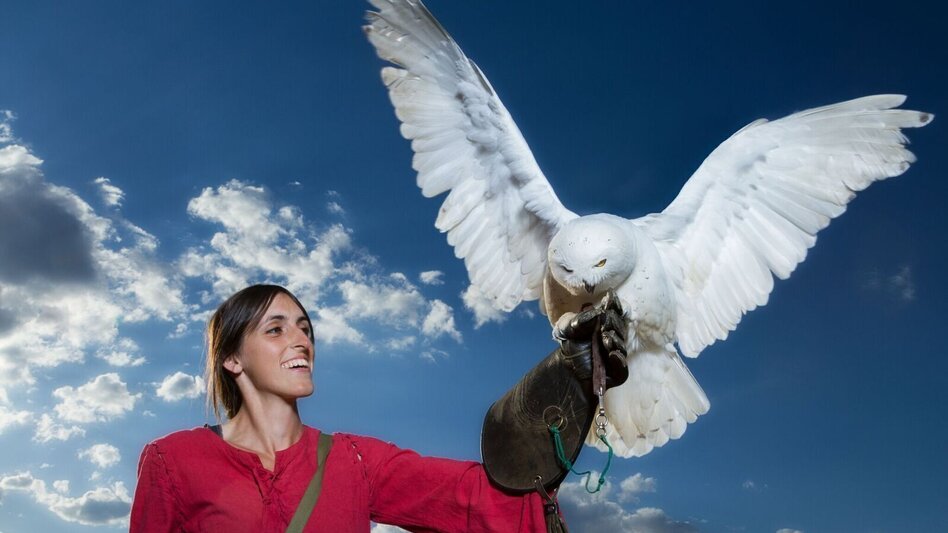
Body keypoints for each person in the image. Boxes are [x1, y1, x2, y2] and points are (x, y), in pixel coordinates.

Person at [129, 284, 627, 532]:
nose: (301, 339)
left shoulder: (354, 461)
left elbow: (475, 499)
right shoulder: (173, 461)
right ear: (232, 359)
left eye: (305, 327)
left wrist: (572, 380)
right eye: (276, 329)